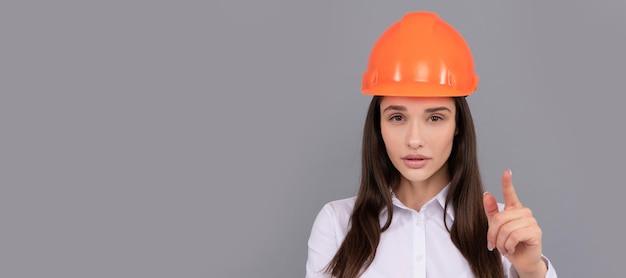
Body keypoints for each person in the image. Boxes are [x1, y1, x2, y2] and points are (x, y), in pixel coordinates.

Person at [305, 11, 558, 278]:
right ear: (378, 125)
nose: (414, 139)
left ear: (458, 124)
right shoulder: (336, 225)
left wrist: (531, 270)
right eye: (397, 117)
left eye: (435, 117)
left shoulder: (504, 231)